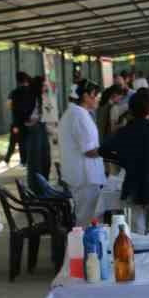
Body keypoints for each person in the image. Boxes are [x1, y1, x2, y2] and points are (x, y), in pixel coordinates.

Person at [98, 88, 149, 237]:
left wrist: (123, 161)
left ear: (130, 111)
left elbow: (103, 150)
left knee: (136, 234)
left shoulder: (123, 133)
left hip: (132, 187)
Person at [58, 81, 105, 224]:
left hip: (83, 176)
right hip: (86, 177)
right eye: (96, 95)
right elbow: (89, 151)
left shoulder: (75, 113)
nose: (98, 99)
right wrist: (110, 150)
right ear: (86, 96)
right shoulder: (79, 116)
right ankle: (85, 239)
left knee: (87, 217)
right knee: (88, 219)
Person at [5, 71, 31, 164]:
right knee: (24, 142)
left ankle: (8, 158)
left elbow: (8, 105)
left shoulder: (14, 92)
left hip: (17, 121)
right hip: (29, 121)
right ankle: (24, 160)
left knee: (13, 141)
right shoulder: (31, 92)